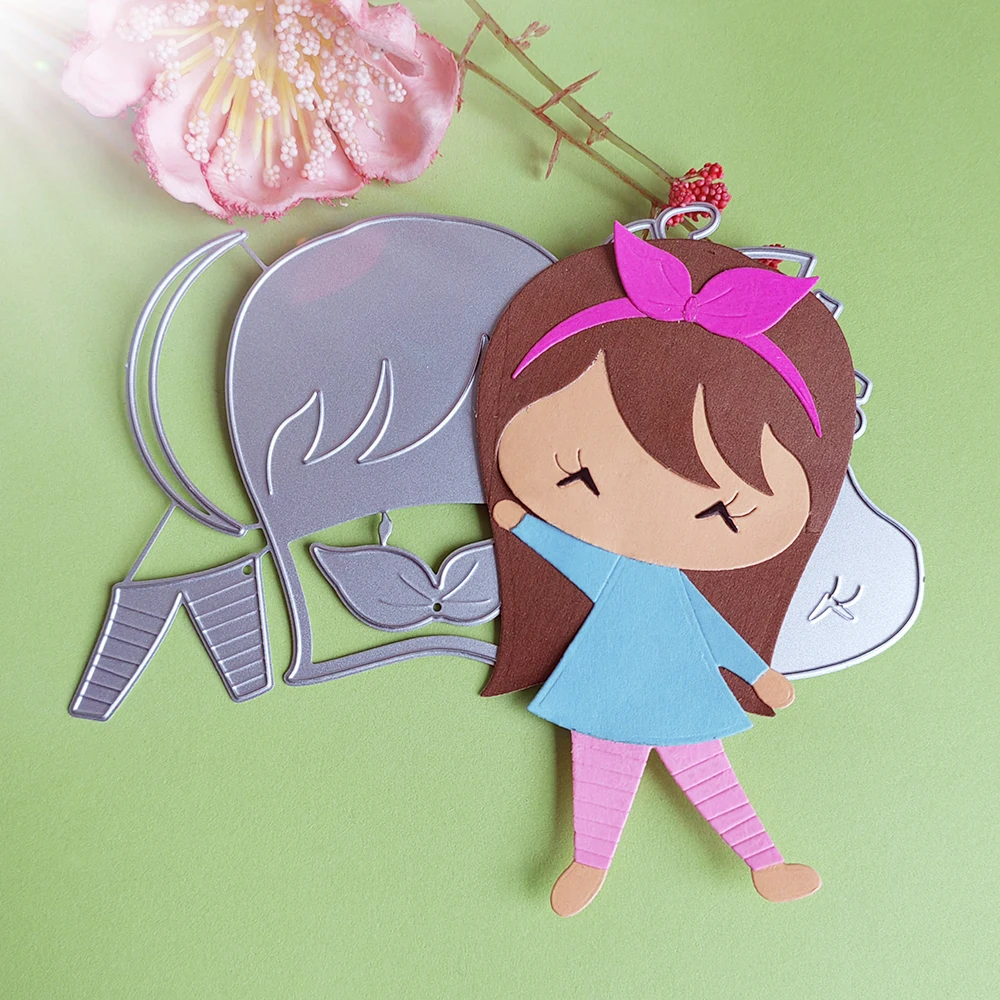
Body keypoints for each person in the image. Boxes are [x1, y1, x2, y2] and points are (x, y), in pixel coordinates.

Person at [475, 223, 857, 915]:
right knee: (603, 768)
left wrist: (759, 673)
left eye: (722, 511)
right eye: (578, 472)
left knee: (707, 772)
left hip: (664, 683)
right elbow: (577, 560)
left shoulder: (662, 584)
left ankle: (765, 862)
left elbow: (711, 629)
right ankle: (590, 861)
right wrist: (525, 525)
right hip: (613, 680)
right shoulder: (623, 574)